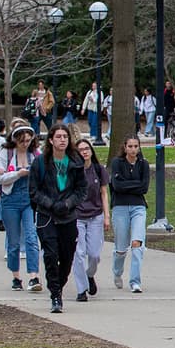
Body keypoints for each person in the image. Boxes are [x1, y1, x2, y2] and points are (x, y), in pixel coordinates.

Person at [31, 123, 85, 313]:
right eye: (59, 136)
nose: (62, 140)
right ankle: (55, 294)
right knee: (51, 255)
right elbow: (34, 191)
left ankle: (59, 284)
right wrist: (50, 203)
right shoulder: (40, 162)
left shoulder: (75, 161)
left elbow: (81, 190)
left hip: (68, 216)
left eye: (65, 136)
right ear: (51, 140)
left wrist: (68, 203)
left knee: (67, 256)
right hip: (47, 216)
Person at [0, 120, 43, 293]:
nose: (25, 144)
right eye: (22, 140)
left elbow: (43, 175)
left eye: (28, 140)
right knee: (13, 241)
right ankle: (16, 276)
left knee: (31, 237)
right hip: (10, 199)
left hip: (29, 200)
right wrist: (18, 173)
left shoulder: (36, 155)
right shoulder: (6, 154)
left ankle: (34, 276)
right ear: (15, 139)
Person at [108, 134, 150, 292]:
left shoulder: (143, 164)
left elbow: (144, 187)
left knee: (137, 244)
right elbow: (117, 186)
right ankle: (117, 273)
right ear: (125, 148)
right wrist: (134, 184)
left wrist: (129, 185)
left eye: (136, 146)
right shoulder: (117, 163)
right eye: (130, 146)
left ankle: (135, 281)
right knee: (121, 247)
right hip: (120, 206)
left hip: (138, 206)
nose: (133, 149)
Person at [69, 137, 108, 302]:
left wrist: (107, 216)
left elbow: (104, 193)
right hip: (77, 217)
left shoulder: (98, 169)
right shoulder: (72, 171)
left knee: (94, 254)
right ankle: (81, 289)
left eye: (87, 149)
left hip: (95, 216)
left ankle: (89, 275)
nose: (84, 152)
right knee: (79, 254)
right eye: (81, 150)